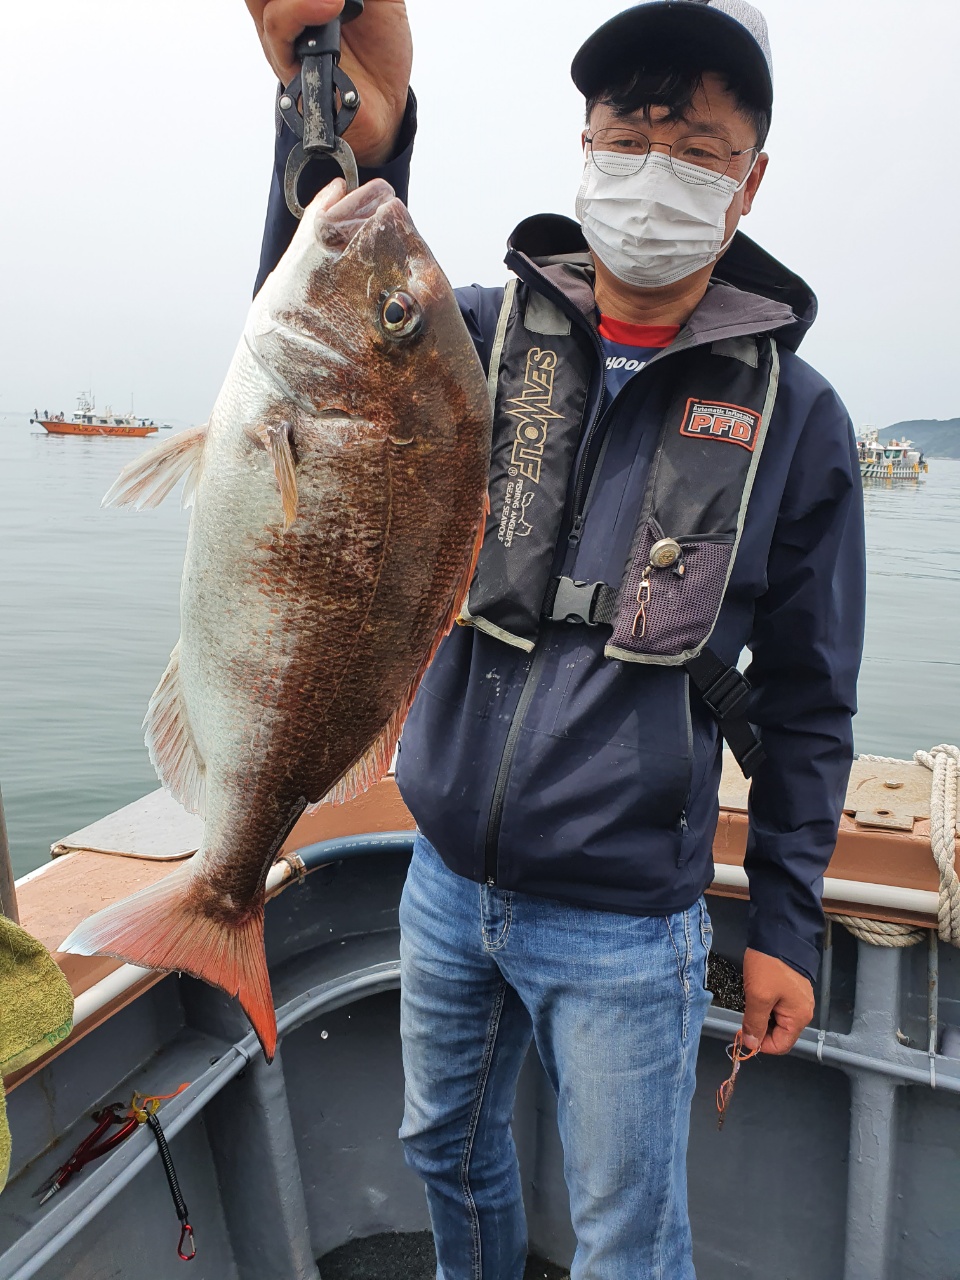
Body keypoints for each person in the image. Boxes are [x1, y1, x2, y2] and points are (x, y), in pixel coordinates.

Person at [245, 2, 865, 1275]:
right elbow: (321, 347)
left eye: (697, 147)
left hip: (629, 919)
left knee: (626, 1229)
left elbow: (810, 703)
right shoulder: (474, 335)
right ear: (584, 148)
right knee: (441, 1146)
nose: (655, 168)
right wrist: (357, 133)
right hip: (444, 875)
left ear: (749, 184)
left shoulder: (799, 418)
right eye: (627, 135)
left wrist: (787, 926)